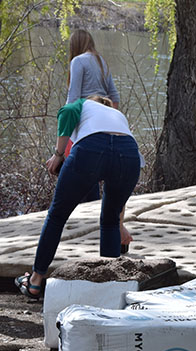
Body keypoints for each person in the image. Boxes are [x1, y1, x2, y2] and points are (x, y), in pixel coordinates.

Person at [14, 96, 142, 299]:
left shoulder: (82, 104)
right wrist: (120, 224)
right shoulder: (117, 115)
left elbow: (66, 112)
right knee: (109, 221)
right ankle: (109, 288)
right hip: (129, 154)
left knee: (57, 216)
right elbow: (126, 154)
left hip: (91, 149)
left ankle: (35, 281)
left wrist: (57, 154)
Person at [65, 29, 133, 249]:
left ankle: (90, 231)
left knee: (82, 179)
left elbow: (73, 98)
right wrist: (112, 121)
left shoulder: (77, 61)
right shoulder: (102, 61)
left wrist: (66, 134)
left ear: (75, 45)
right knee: (112, 185)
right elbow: (114, 97)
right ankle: (115, 229)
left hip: (86, 122)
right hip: (109, 124)